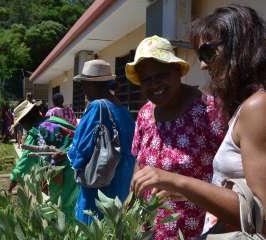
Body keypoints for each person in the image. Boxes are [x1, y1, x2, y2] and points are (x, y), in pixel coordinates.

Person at [131, 5, 266, 237]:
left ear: (239, 46)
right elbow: (227, 183)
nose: (203, 65)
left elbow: (259, 213)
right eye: (146, 79)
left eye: (207, 52)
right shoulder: (144, 114)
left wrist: (175, 182)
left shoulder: (246, 107)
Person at [125, 35, 226, 239]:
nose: (154, 84)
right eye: (146, 79)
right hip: (149, 229)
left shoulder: (208, 110)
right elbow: (140, 166)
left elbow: (228, 176)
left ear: (178, 72)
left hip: (194, 230)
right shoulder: (145, 114)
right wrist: (129, 210)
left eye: (161, 75)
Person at [64, 59, 136, 224]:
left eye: (84, 83)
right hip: (122, 183)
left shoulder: (97, 107)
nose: (83, 88)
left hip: (99, 186)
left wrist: (69, 159)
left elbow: (80, 151)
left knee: (93, 228)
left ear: (95, 85)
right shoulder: (123, 110)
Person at [8, 100, 79, 220]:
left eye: (21, 122)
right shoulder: (53, 120)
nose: (22, 126)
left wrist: (10, 187)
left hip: (64, 169)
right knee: (71, 203)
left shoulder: (36, 131)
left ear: (26, 120)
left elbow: (24, 163)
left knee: (61, 206)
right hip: (77, 163)